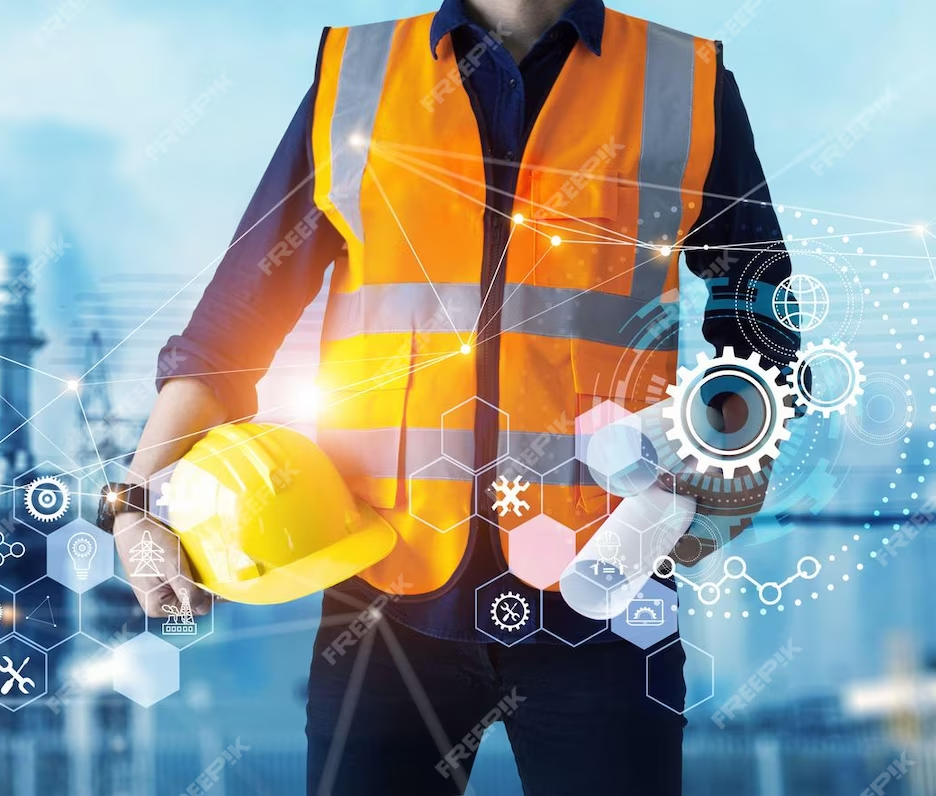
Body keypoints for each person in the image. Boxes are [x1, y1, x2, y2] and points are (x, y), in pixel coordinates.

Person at [109, 1, 800, 794]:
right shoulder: (358, 76)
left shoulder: (683, 82)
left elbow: (763, 324)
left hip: (609, 598)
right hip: (379, 604)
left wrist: (736, 459)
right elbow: (231, 329)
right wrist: (134, 501)